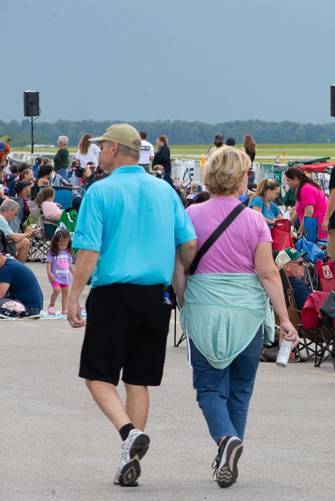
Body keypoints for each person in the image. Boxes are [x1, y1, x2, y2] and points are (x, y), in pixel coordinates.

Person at [67, 123, 197, 488]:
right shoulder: (165, 190)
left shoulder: (101, 191)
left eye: (102, 146)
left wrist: (74, 295)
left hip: (114, 294)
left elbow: (89, 251)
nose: (99, 152)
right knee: (138, 379)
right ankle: (130, 452)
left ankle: (127, 433)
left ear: (114, 149)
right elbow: (188, 244)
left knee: (97, 375)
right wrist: (182, 275)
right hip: (155, 296)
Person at [174, 146, 296, 488]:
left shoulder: (191, 214)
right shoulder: (254, 219)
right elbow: (268, 273)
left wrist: (185, 303)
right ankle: (229, 445)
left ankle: (225, 441)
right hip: (247, 313)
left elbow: (180, 269)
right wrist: (285, 319)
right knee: (241, 389)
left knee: (209, 388)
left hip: (205, 310)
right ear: (240, 178)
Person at [285, 166, 328, 241]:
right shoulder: (302, 187)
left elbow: (309, 213)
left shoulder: (306, 189)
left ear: (295, 179)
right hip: (314, 229)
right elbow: (296, 211)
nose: (287, 183)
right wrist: (287, 225)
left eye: (288, 180)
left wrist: (299, 233)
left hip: (317, 231)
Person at [45, 229, 74, 315]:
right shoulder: (52, 252)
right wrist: (50, 274)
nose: (63, 246)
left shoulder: (68, 252)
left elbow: (69, 265)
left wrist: (74, 274)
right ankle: (52, 305)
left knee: (66, 293)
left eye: (65, 244)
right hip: (55, 277)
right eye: (61, 244)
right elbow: (48, 264)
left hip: (65, 278)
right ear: (56, 242)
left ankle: (64, 309)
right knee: (57, 290)